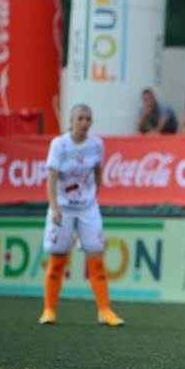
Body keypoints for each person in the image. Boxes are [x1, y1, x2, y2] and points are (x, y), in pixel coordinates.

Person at [39, 104, 124, 327]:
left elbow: (97, 172)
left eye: (88, 119)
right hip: (63, 208)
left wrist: (92, 198)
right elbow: (51, 178)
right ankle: (49, 310)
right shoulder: (59, 145)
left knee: (96, 259)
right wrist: (55, 208)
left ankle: (105, 311)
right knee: (57, 259)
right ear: (71, 121)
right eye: (80, 118)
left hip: (88, 208)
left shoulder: (97, 145)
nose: (84, 123)